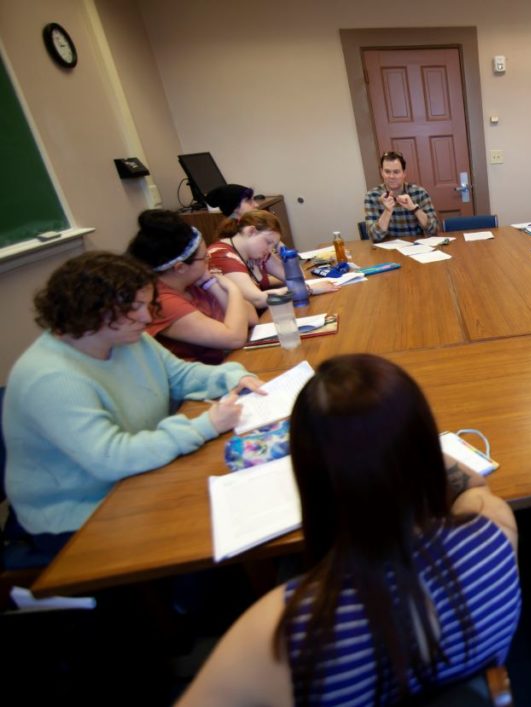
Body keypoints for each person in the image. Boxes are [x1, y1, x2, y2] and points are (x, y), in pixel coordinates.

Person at [179, 354, 521, 706]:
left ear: (309, 478)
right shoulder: (497, 536)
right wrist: (396, 439)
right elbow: (474, 489)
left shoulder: (282, 631)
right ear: (421, 449)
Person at [2, 252, 263, 554]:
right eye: (134, 308)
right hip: (82, 515)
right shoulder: (51, 378)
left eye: (147, 305)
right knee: (212, 532)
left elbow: (179, 375)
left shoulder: (125, 336)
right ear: (90, 311)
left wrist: (232, 378)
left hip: (139, 477)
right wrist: (207, 425)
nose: (147, 318)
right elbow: (112, 458)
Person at [127, 209, 257, 364]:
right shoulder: (163, 301)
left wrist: (213, 285)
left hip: (231, 363)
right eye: (203, 258)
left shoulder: (195, 282)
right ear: (180, 267)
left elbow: (251, 318)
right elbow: (234, 339)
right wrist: (233, 290)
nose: (209, 259)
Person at [209, 209, 338, 309]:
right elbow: (258, 300)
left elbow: (296, 277)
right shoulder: (221, 256)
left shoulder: (255, 252)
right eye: (268, 241)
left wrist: (280, 246)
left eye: (273, 244)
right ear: (251, 231)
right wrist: (310, 289)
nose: (270, 248)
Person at [363, 151, 440, 242]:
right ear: (381, 172)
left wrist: (414, 209)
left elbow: (434, 230)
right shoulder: (372, 196)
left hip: (417, 249)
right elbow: (374, 236)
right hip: (386, 251)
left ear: (404, 173)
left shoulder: (419, 193)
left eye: (396, 172)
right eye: (387, 171)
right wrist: (387, 211)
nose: (391, 176)